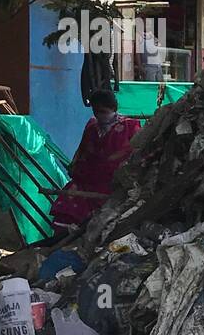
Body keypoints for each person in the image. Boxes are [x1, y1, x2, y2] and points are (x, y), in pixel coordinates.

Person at [49, 89, 141, 232]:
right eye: (95, 111)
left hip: (113, 180)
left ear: (114, 108)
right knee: (70, 193)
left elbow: (137, 153)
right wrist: (74, 166)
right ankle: (66, 229)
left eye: (103, 111)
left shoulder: (130, 126)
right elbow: (82, 151)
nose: (99, 115)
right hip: (88, 178)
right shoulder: (92, 126)